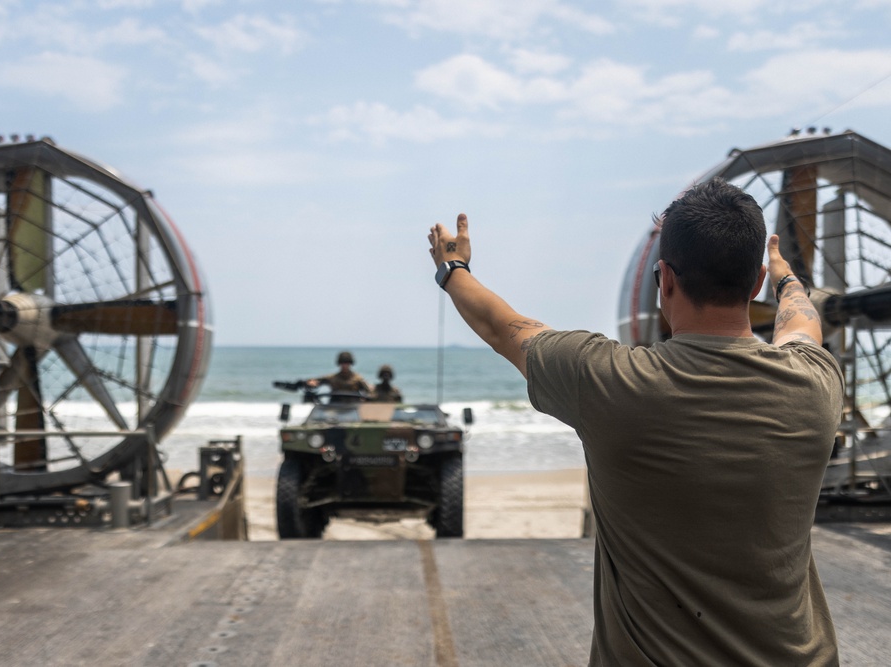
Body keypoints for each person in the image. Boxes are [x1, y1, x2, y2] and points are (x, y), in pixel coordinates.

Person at [426, 178, 843, 666]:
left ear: (664, 279)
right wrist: (786, 278)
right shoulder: (815, 383)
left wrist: (453, 268)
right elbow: (802, 324)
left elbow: (502, 326)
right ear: (754, 285)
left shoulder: (609, 380)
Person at [305, 351, 371, 400]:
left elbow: (369, 391)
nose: (344, 366)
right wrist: (311, 382)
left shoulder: (358, 379)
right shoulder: (332, 378)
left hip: (353, 407)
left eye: (347, 363)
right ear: (339, 364)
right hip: (335, 406)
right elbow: (316, 381)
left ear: (350, 364)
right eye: (342, 363)